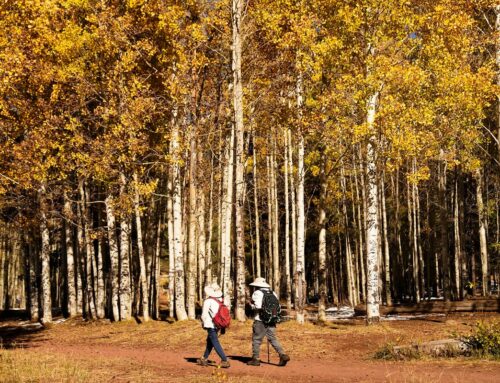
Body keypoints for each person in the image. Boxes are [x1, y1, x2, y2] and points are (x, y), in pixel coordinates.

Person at [247, 277, 290, 366]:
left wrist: (250, 305)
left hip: (260, 320)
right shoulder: (273, 293)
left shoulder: (257, 293)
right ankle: (283, 354)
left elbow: (258, 307)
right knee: (272, 338)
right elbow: (276, 307)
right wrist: (271, 316)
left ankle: (256, 359)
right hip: (272, 319)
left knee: (257, 339)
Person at [197, 283, 230, 368]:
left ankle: (224, 360)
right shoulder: (223, 300)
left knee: (214, 341)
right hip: (218, 324)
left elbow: (204, 314)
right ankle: (204, 358)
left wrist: (203, 323)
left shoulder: (208, 301)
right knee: (210, 341)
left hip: (210, 324)